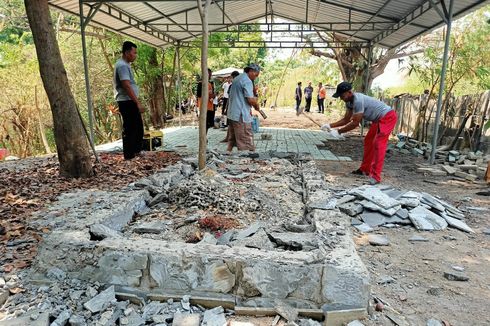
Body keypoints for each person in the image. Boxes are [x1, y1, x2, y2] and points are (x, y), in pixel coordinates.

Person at [322, 82, 397, 184]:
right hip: (377, 120)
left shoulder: (358, 100)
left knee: (378, 144)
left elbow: (355, 124)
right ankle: (365, 169)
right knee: (369, 141)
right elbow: (346, 119)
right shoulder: (349, 102)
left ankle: (376, 177)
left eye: (342, 95)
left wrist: (338, 132)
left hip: (387, 117)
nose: (341, 98)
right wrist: (330, 126)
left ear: (349, 92)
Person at [113, 41, 144, 160]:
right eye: (134, 53)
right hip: (126, 101)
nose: (135, 55)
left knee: (137, 126)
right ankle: (129, 155)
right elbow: (126, 85)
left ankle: (136, 151)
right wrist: (137, 102)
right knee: (130, 127)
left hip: (129, 100)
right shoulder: (122, 66)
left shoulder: (125, 65)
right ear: (127, 53)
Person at [227, 64, 261, 152]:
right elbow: (250, 99)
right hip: (240, 115)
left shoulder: (237, 78)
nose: (255, 77)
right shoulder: (247, 81)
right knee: (246, 141)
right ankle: (246, 161)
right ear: (251, 71)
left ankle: (228, 154)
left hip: (232, 113)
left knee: (233, 139)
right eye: (256, 75)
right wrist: (256, 105)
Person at [196, 68, 215, 134]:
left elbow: (211, 94)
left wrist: (213, 95)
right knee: (205, 124)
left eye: (210, 74)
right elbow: (199, 95)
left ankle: (205, 136)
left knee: (208, 124)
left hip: (210, 107)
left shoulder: (210, 84)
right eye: (209, 74)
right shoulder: (200, 84)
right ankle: (203, 137)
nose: (210, 76)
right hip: (203, 107)